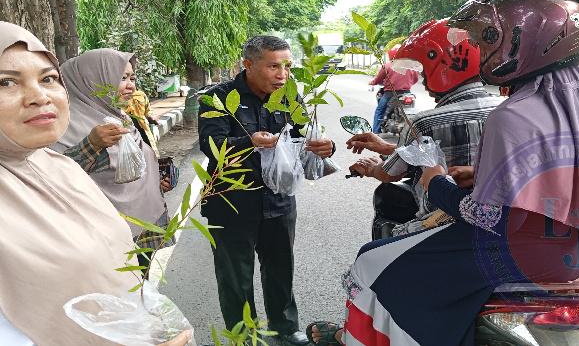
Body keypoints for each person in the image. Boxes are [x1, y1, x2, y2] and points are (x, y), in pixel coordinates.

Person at [307, 0, 579, 345]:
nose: (480, 49)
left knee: (370, 261)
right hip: (572, 250)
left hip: (513, 251)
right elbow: (555, 177)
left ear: (523, 40)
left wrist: (436, 181)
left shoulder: (513, 116)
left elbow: (489, 219)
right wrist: (482, 174)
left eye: (488, 39)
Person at [0, 22, 191, 346]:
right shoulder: (64, 135)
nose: (39, 96)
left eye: (48, 78)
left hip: (145, 223)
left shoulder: (53, 162)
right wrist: (91, 145)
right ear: (93, 80)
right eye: (6, 82)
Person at [198, 35, 335, 346]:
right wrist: (251, 141)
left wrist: (325, 146)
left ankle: (286, 330)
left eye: (286, 66)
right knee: (236, 279)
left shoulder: (289, 97)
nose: (282, 74)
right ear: (248, 64)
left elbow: (305, 136)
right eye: (273, 66)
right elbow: (212, 146)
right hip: (231, 204)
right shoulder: (217, 98)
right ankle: (243, 337)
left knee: (280, 271)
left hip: (279, 201)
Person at [347, 18, 501, 235]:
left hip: (436, 226)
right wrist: (386, 147)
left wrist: (371, 167)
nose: (423, 80)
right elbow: (428, 155)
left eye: (425, 70)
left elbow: (390, 174)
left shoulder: (425, 123)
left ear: (441, 64)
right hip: (499, 223)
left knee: (367, 261)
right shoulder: (508, 110)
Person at [51, 48, 173, 269]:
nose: (130, 86)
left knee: (138, 294)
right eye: (121, 78)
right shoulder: (62, 126)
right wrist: (91, 145)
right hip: (100, 239)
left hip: (143, 230)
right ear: (92, 81)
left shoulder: (122, 118)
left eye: (132, 78)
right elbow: (52, 180)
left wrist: (158, 182)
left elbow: (133, 166)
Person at [368, 46, 419, 133]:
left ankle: (376, 132)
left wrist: (372, 82)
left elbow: (378, 79)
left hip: (390, 94)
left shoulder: (387, 66)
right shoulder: (410, 66)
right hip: (407, 93)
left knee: (379, 111)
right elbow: (415, 80)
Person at [126, 87, 161, 157]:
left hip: (143, 133)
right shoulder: (112, 98)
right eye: (123, 79)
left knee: (149, 157)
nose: (129, 83)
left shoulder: (141, 95)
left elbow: (148, 111)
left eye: (132, 79)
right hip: (127, 136)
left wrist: (151, 117)